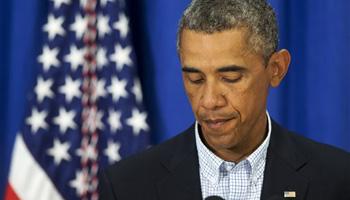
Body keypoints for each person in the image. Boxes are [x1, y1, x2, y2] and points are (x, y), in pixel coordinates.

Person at [99, 0, 350, 199]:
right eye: (195, 80)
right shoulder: (127, 186)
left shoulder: (337, 180)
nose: (209, 101)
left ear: (276, 69)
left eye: (230, 77)